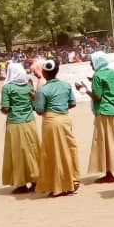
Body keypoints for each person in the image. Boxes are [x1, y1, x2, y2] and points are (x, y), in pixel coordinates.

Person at [77, 51, 114, 183]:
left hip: (104, 110)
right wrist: (94, 82)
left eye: (92, 62)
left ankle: (111, 172)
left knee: (105, 142)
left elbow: (97, 97)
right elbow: (109, 88)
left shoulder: (97, 76)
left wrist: (84, 89)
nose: (91, 64)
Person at [34, 59, 80, 197]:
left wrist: (33, 98)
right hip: (64, 120)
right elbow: (72, 103)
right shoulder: (66, 85)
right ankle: (72, 180)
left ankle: (58, 185)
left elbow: (39, 110)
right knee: (68, 149)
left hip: (50, 122)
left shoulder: (43, 89)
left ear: (44, 72)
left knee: (53, 152)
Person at [0, 62, 41, 194]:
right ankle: (35, 181)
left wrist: (3, 109)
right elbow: (34, 106)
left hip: (15, 123)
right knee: (32, 151)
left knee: (17, 153)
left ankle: (21, 183)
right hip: (30, 123)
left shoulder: (7, 88)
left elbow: (6, 108)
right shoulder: (28, 87)